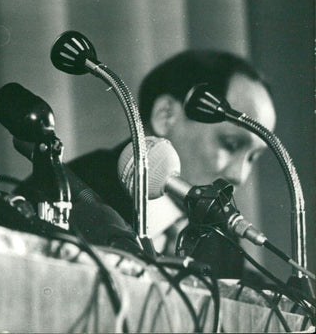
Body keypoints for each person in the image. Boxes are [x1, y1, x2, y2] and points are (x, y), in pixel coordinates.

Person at [65, 50, 276, 276]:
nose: (240, 176)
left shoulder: (223, 245)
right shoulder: (67, 188)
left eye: (253, 157)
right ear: (165, 115)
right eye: (231, 144)